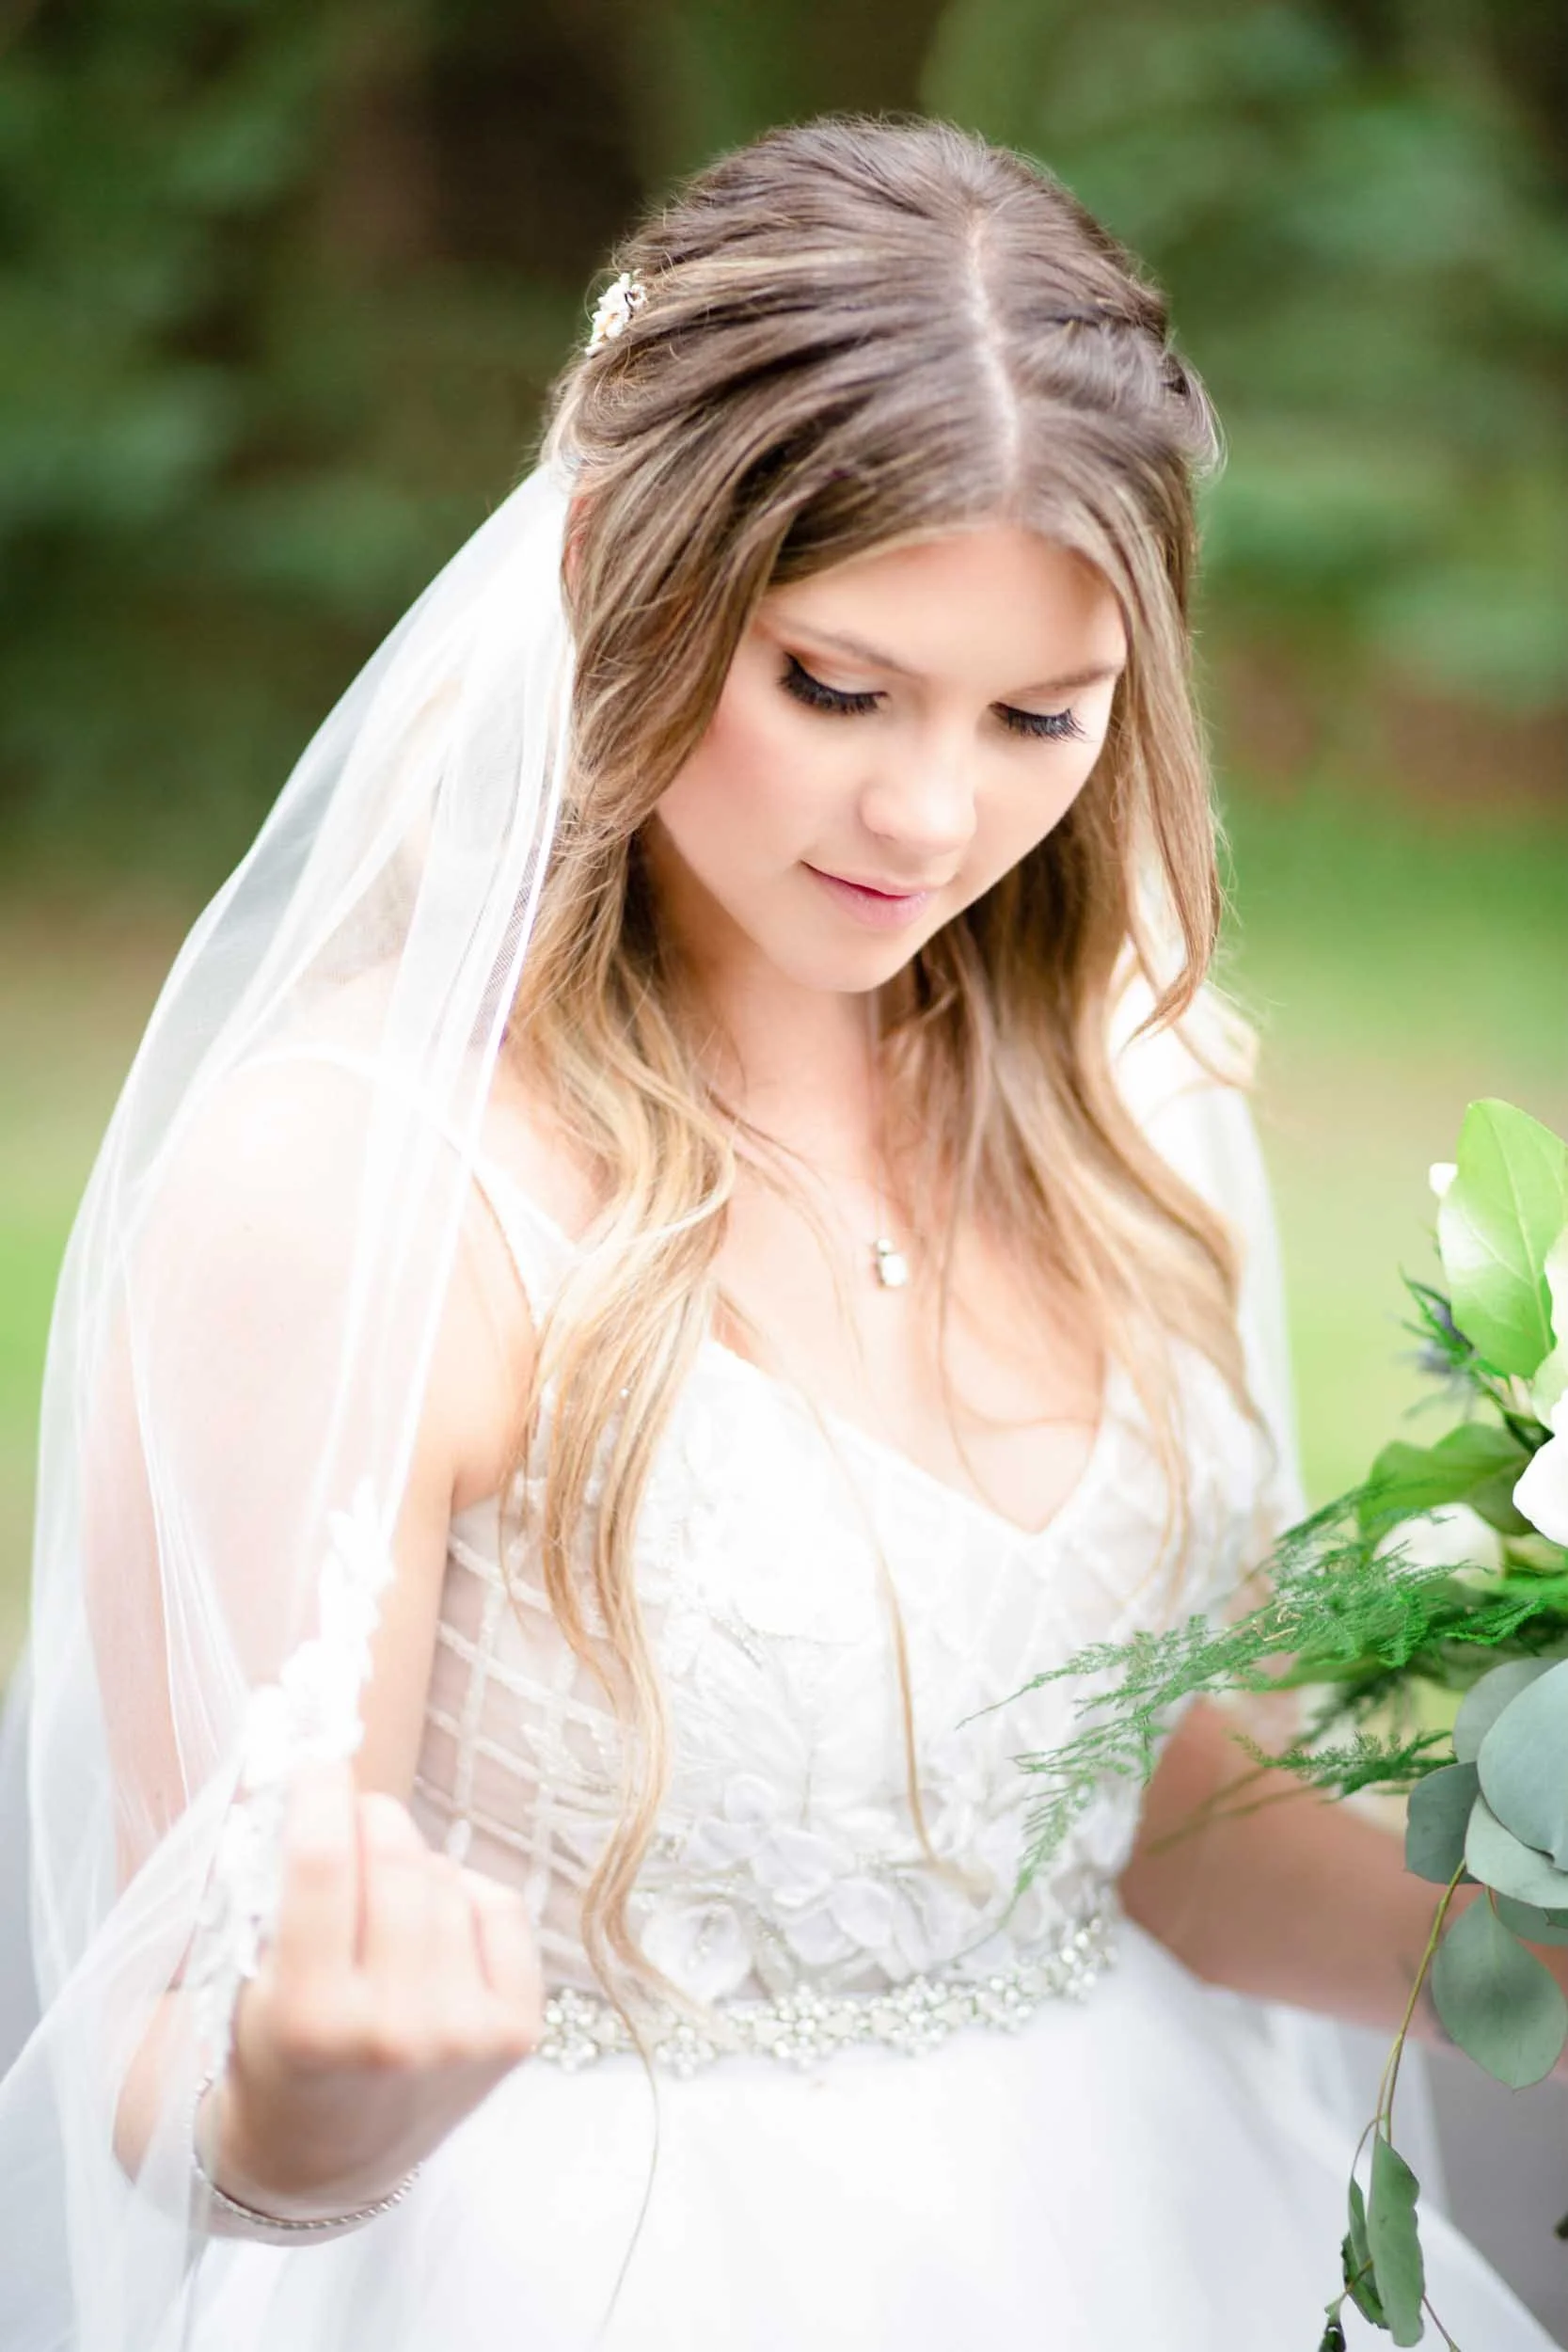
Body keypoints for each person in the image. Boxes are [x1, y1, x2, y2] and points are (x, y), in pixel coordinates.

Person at [0, 111, 1555, 2352]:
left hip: (1150, 2223)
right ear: (624, 581)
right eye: (834, 685)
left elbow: (1134, 1812)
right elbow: (175, 2002)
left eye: (1040, 716)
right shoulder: (356, 1182)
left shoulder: (1126, 1079)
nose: (930, 815)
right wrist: (312, 2103)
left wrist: (1523, 1909)